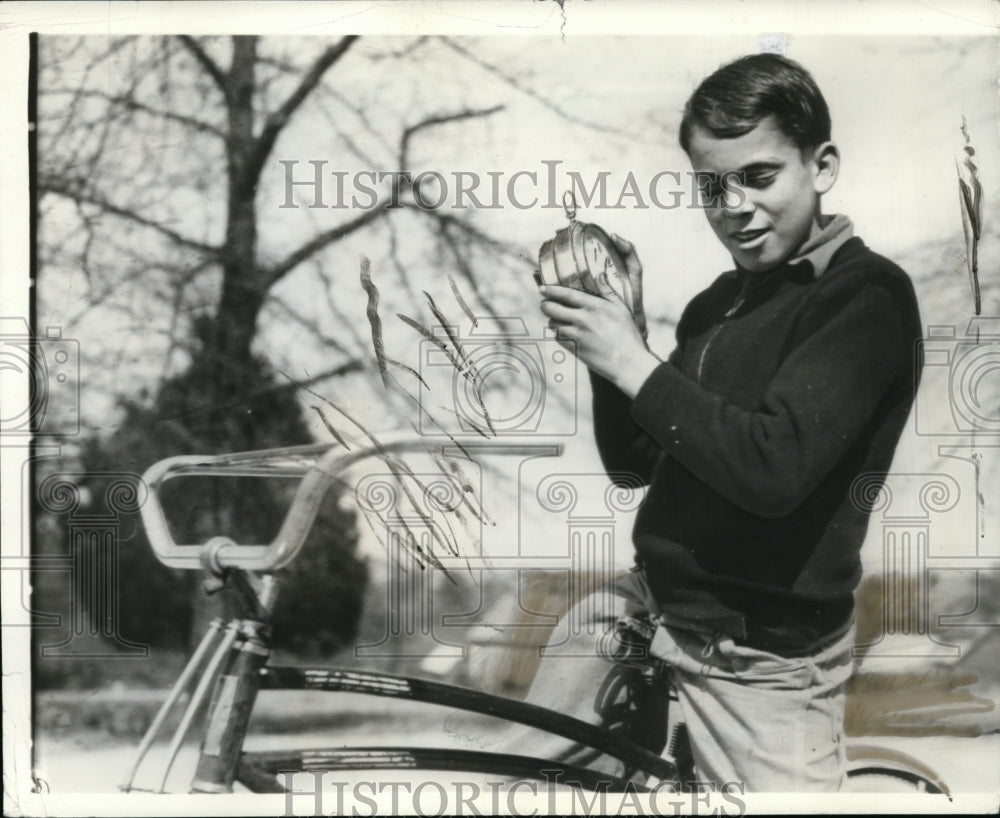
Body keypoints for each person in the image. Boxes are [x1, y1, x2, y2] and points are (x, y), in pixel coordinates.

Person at [535, 53, 923, 791]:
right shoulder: (718, 305)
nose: (734, 204)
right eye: (712, 186)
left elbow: (771, 470)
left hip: (761, 664)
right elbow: (636, 465)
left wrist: (633, 364)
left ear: (823, 164)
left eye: (759, 175)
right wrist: (617, 345)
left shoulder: (865, 297)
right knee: (525, 785)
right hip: (645, 613)